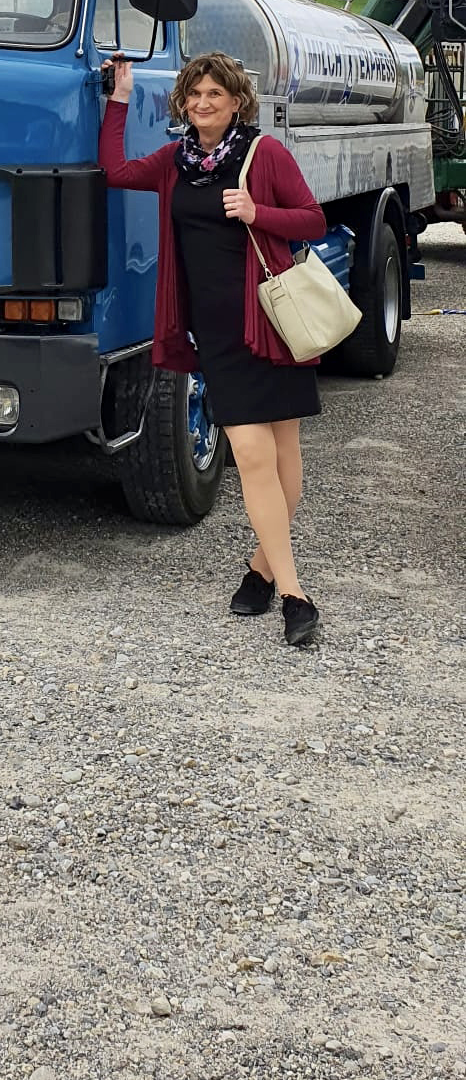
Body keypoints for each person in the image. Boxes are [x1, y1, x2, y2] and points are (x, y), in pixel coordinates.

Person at [99, 49, 327, 648]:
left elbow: (312, 220)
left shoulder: (263, 153)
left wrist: (257, 211)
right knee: (251, 452)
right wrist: (119, 101)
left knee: (282, 450)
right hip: (218, 332)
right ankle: (294, 593)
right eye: (194, 94)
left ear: (236, 102)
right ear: (183, 102)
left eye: (215, 95)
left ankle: (263, 572)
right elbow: (116, 172)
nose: (203, 103)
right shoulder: (175, 162)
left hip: (269, 320)